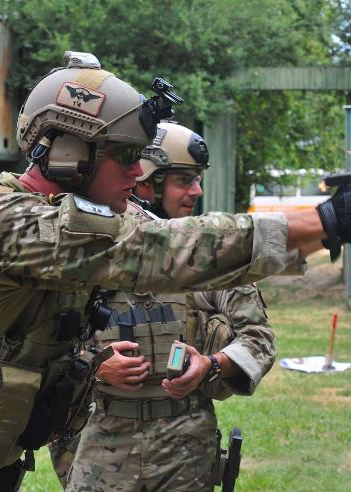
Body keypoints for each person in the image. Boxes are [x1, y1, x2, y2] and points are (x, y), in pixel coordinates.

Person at [0, 51, 351, 492]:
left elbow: (174, 243)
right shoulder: (4, 224)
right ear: (69, 153)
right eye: (124, 155)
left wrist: (320, 223)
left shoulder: (58, 228)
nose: (140, 171)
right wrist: (329, 222)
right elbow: (159, 251)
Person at [50, 122, 276, 491]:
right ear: (146, 183)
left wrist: (211, 364)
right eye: (184, 180)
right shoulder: (87, 250)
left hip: (186, 445)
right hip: (102, 437)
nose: (197, 191)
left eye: (198, 179)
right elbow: (36, 334)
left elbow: (259, 338)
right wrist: (95, 363)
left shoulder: (208, 256)